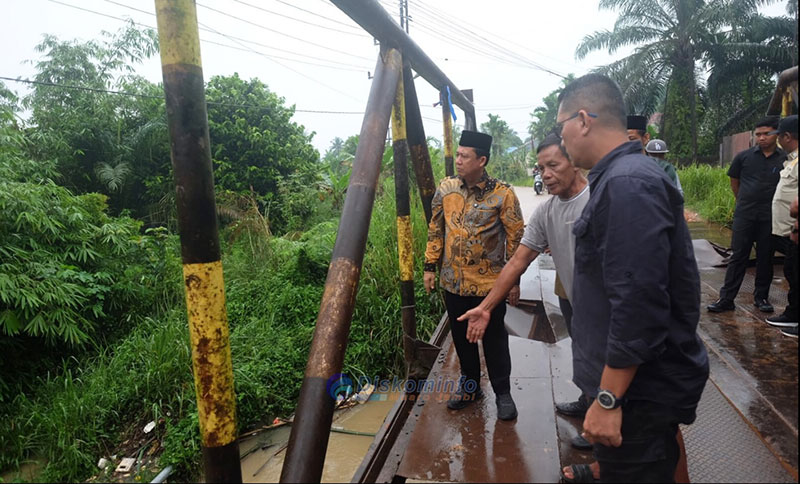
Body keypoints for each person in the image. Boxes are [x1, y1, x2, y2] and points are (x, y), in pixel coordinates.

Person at [553, 73, 709, 482]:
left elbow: (637, 304)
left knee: (638, 468)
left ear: (584, 120)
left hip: (637, 391)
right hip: (638, 387)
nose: (561, 136)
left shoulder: (626, 184)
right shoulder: (622, 178)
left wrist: (607, 400)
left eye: (561, 124)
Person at [457, 132, 593, 447]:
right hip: (574, 298)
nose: (545, 175)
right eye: (541, 167)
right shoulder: (546, 212)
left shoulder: (599, 199)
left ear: (573, 161)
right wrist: (486, 307)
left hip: (609, 307)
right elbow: (517, 261)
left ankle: (604, 433)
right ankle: (589, 403)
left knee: (607, 364)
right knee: (583, 354)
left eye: (553, 165)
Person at [423, 130, 524, 421]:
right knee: (461, 338)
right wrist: (430, 267)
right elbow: (435, 228)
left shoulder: (502, 193)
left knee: (494, 340)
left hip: (489, 286)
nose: (458, 160)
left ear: (482, 160)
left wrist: (513, 281)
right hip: (453, 283)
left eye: (465, 156)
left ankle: (503, 393)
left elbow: (517, 238)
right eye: (458, 154)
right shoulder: (446, 188)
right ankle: (470, 388)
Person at [707, 117, 787, 313]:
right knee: (738, 256)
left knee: (765, 257)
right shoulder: (743, 157)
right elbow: (734, 181)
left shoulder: (784, 159)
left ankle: (761, 298)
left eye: (766, 133)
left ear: (776, 134)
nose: (761, 138)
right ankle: (726, 299)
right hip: (745, 215)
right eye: (758, 134)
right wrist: (742, 200)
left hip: (770, 217)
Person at [766, 115, 798, 331]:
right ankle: (793, 314)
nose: (778, 141)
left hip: (796, 230)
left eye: (779, 137)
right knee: (792, 272)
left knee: (795, 272)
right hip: (790, 231)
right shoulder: (793, 160)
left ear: (787, 136)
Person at [627, 115, 682, 190]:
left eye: (632, 139)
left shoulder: (664, 168)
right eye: (623, 140)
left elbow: (677, 197)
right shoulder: (614, 168)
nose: (626, 144)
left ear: (645, 138)